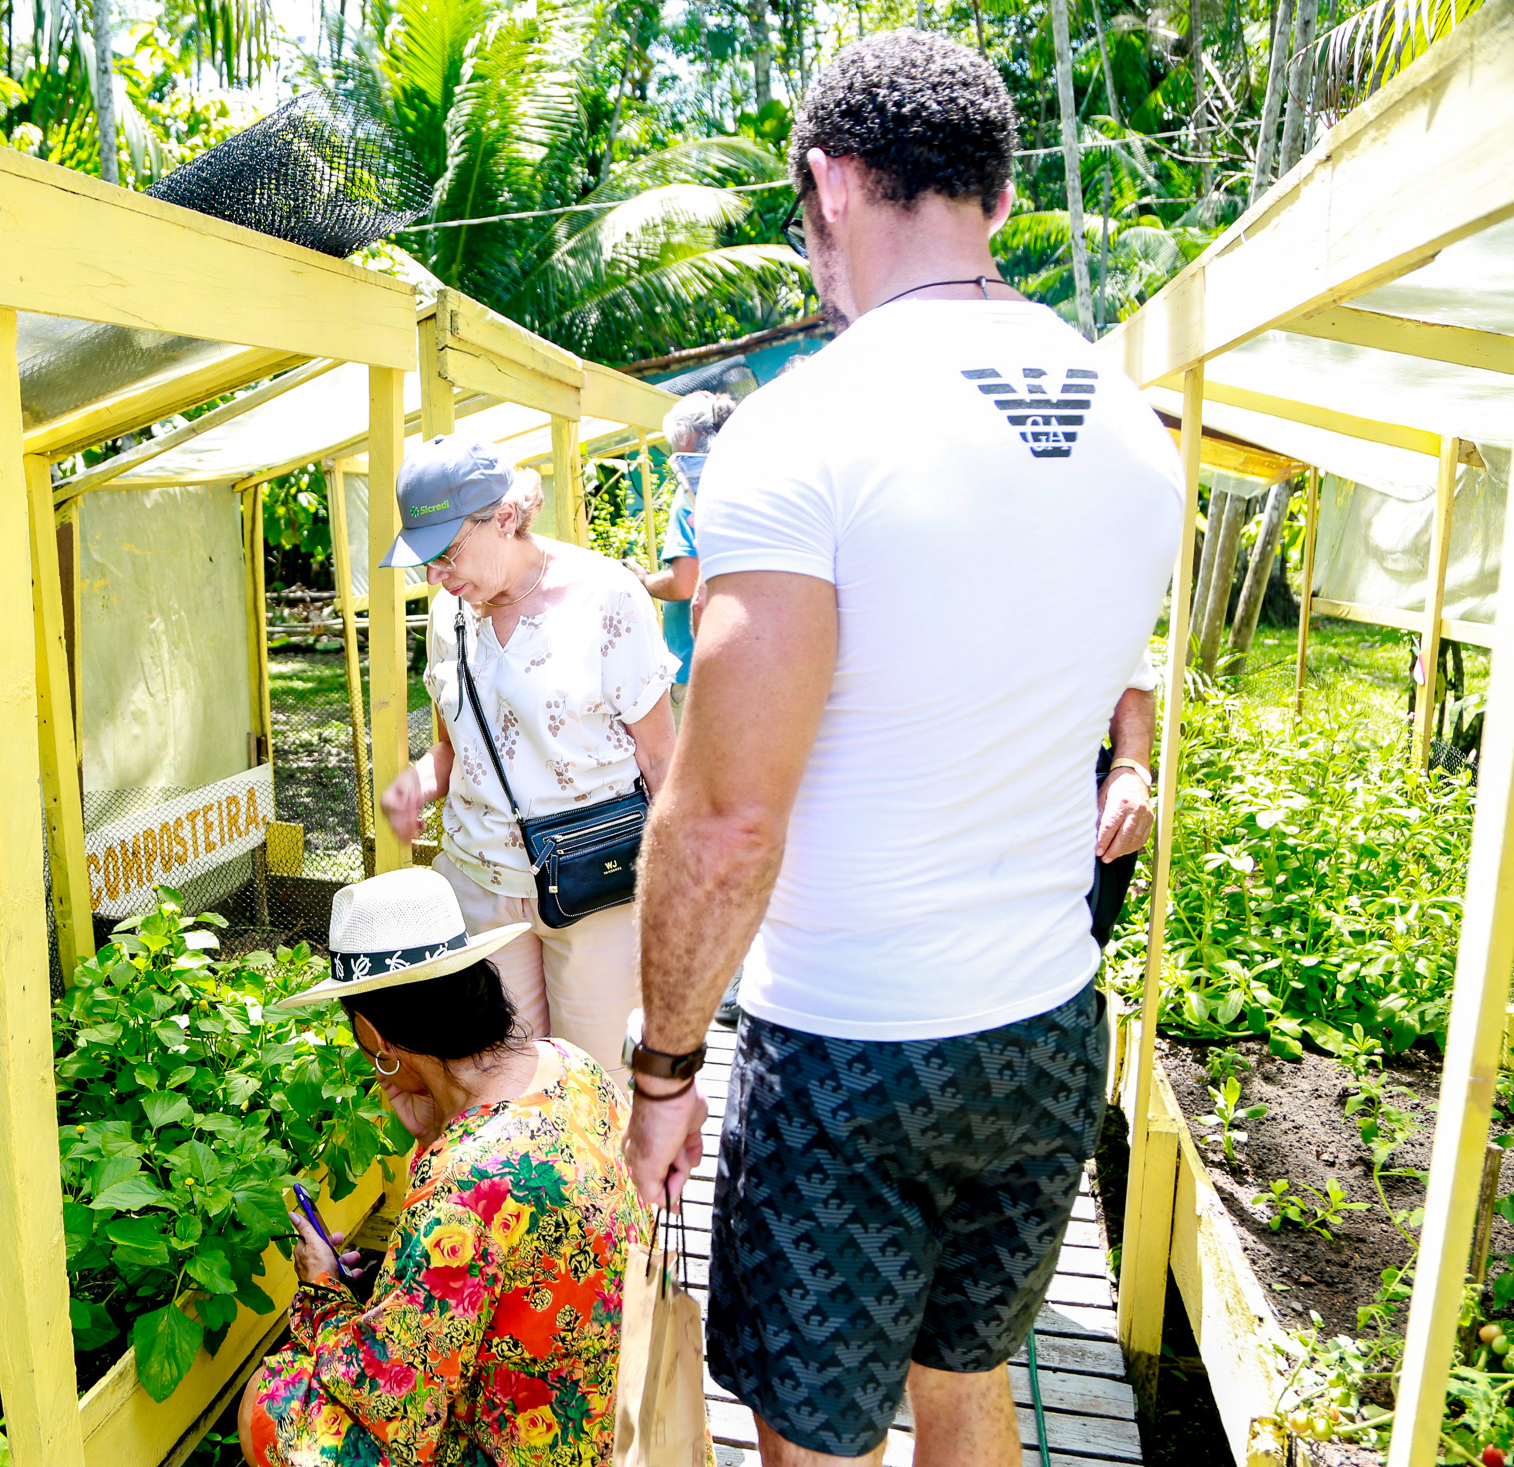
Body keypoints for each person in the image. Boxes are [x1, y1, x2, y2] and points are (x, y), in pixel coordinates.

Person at [619, 32, 1183, 1467]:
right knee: (972, 1385)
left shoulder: (808, 424)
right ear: (996, 197)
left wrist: (667, 1067)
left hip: (851, 1041)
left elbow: (726, 817)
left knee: (817, 1437)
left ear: (830, 180)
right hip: (1047, 1019)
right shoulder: (1130, 423)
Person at [239, 867, 644, 1467]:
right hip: (621, 1409)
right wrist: (435, 1132)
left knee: (271, 1401)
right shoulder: (571, 1066)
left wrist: (322, 1293)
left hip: (533, 1446)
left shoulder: (464, 1184)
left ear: (375, 1033)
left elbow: (399, 1405)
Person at [378, 435, 677, 1084]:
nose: (435, 575)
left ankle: (614, 1192)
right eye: (423, 561)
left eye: (446, 553)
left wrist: (674, 892)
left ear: (505, 519)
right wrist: (420, 782)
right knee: (498, 1089)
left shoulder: (606, 597)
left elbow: (660, 757)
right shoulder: (446, 614)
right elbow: (463, 749)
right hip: (483, 887)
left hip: (597, 883)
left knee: (596, 1089)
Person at [629, 391, 736, 717]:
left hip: (695, 664)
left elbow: (683, 584)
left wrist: (643, 581)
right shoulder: (735, 477)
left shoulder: (689, 492)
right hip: (737, 653)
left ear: (684, 433)